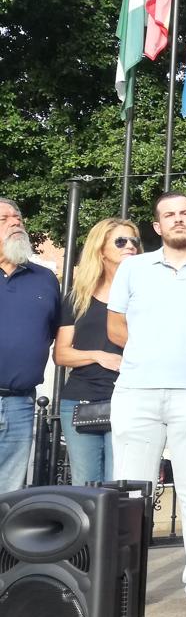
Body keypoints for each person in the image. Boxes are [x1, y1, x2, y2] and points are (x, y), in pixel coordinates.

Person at [108, 192, 186, 614]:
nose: (178, 220)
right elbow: (115, 325)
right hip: (138, 392)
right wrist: (151, 353)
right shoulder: (133, 268)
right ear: (156, 227)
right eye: (168, 215)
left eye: (185, 214)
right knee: (131, 493)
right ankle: (123, 584)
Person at [53, 218, 140, 485]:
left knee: (120, 485)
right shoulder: (77, 298)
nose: (130, 247)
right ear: (101, 250)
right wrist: (99, 355)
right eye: (121, 241)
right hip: (81, 400)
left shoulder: (144, 296)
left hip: (129, 400)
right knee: (86, 486)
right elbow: (61, 355)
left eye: (134, 241)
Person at [0, 197, 60, 493]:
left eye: (18, 218)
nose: (15, 223)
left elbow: (51, 332)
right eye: (4, 219)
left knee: (8, 492)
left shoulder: (45, 279)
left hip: (20, 403)